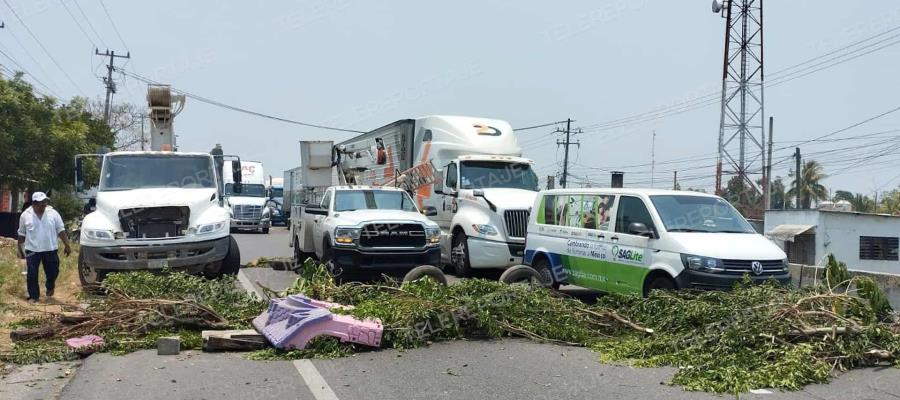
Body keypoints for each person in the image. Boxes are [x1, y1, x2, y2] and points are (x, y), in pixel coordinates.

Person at [17, 192, 71, 303]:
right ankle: (34, 296)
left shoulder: (53, 213)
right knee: (31, 274)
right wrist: (20, 251)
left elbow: (61, 230)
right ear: (34, 204)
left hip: (50, 249)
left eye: (45, 203)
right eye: (41, 204)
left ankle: (50, 286)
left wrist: (67, 245)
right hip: (32, 250)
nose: (44, 206)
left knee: (53, 272)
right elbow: (21, 234)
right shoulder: (25, 215)